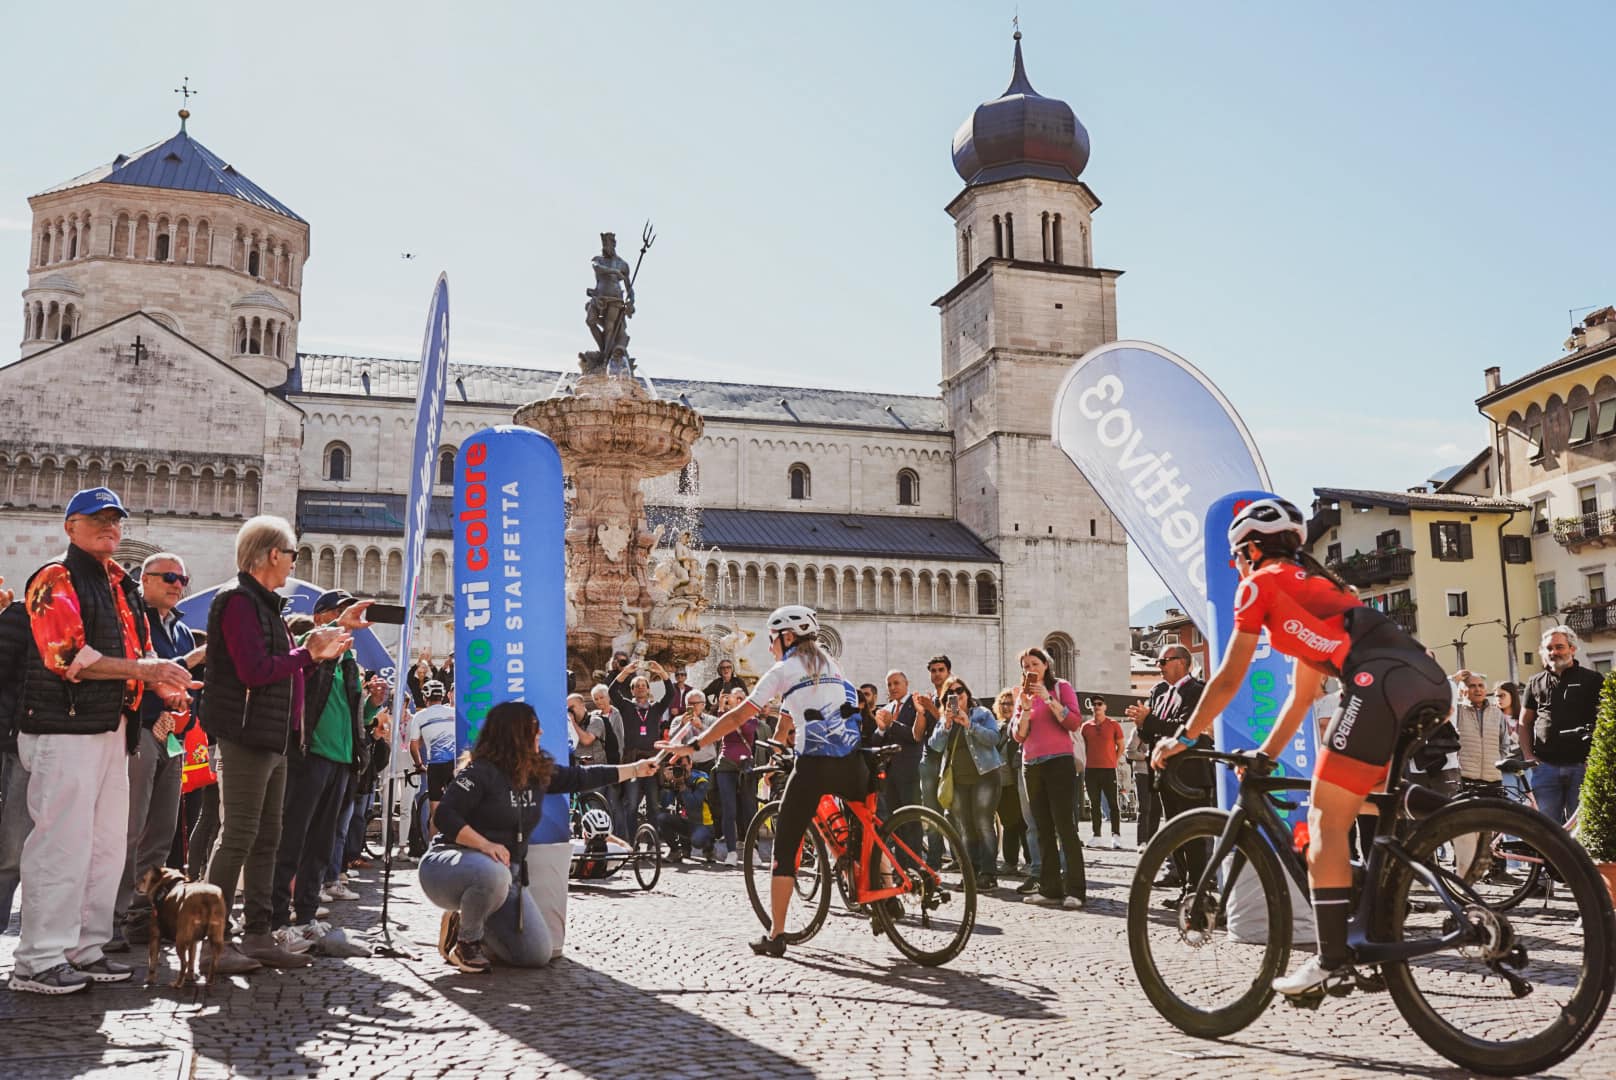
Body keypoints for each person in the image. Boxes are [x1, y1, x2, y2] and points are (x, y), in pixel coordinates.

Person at [1152, 497, 1452, 998]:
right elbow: (1301, 697)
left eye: (1236, 557)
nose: (1237, 566)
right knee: (1362, 801)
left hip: (1377, 681)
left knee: (1323, 819)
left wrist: (1184, 736)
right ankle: (1403, 882)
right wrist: (1266, 756)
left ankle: (1332, 958)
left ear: (1249, 549)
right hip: (1426, 683)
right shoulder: (1320, 590)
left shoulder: (1261, 584)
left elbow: (1227, 678)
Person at [12, 489, 198, 994]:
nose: (109, 529)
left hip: (113, 728)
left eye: (115, 521)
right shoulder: (54, 577)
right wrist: (147, 669)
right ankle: (38, 958)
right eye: (97, 520)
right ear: (70, 526)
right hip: (62, 727)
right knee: (62, 843)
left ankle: (83, 946)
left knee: (106, 844)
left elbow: (131, 654)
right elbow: (65, 654)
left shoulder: (119, 582)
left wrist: (157, 684)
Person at [202, 515, 359, 971]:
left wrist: (315, 653)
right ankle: (215, 938)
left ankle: (257, 932)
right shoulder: (237, 601)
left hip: (272, 738)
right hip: (246, 735)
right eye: (291, 554)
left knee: (267, 839)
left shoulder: (264, 605)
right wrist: (308, 652)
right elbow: (253, 669)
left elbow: (282, 667)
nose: (293, 562)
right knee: (238, 837)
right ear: (272, 554)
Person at [663, 605, 862, 957]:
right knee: (867, 823)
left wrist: (694, 743)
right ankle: (886, 891)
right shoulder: (830, 665)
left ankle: (776, 935)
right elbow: (794, 708)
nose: (770, 647)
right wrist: (785, 732)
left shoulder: (782, 669)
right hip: (854, 762)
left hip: (814, 765)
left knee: (784, 849)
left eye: (772, 639)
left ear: (786, 638)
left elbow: (740, 714)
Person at [421, 700, 659, 972]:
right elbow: (444, 817)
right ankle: (466, 943)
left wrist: (636, 769)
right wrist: (485, 845)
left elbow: (582, 777)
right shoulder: (479, 772)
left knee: (535, 955)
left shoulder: (536, 772)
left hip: (503, 879)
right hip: (446, 868)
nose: (541, 733)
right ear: (515, 733)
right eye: (534, 727)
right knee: (493, 872)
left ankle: (466, 923)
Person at [108, 552, 205, 955]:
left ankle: (141, 915)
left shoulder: (181, 628)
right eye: (168, 576)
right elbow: (141, 670)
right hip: (141, 730)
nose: (177, 584)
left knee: (162, 831)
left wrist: (186, 706)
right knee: (129, 829)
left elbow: (183, 681)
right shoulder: (134, 620)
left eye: (183, 578)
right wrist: (193, 660)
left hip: (173, 736)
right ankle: (109, 919)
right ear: (144, 580)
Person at [1012, 646, 1086, 909]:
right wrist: (1025, 710)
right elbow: (1018, 736)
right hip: (1031, 763)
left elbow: (1074, 722)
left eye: (1034, 663)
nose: (1030, 669)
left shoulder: (1061, 687)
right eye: (1025, 665)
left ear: (1046, 665)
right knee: (1042, 828)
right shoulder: (1021, 694)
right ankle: (1049, 887)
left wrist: (1049, 700)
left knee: (1065, 826)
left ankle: (1076, 889)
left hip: (1059, 761)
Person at [1133, 645, 1207, 890]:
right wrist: (1141, 722)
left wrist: (1149, 720)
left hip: (1189, 773)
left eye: (1164, 661)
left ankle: (1198, 888)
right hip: (1164, 773)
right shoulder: (1159, 692)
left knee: (1192, 835)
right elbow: (1150, 732)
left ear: (1182, 663)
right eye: (1158, 662)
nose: (1159, 667)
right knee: (1175, 832)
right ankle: (1185, 885)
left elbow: (1186, 728)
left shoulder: (1197, 690)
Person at [1521, 625, 1602, 825]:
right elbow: (1524, 722)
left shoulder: (1592, 679)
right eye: (1549, 648)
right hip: (1545, 768)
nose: (1554, 652)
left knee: (1582, 828)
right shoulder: (1534, 682)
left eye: (1559, 647)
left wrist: (1596, 759)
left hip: (1582, 767)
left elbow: (1605, 721)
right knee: (1547, 831)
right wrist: (1529, 757)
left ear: (1572, 649)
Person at [932, 676, 1002, 888]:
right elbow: (934, 746)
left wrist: (969, 724)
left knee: (983, 824)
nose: (956, 696)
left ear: (967, 693)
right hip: (959, 781)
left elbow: (994, 738)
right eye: (949, 694)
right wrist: (946, 725)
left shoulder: (982, 713)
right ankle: (971, 873)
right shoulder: (945, 719)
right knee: (965, 828)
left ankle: (988, 874)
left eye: (959, 690)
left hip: (985, 776)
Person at [609, 665, 672, 836]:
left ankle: (652, 843)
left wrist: (661, 672)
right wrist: (626, 672)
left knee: (653, 804)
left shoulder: (656, 708)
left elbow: (670, 694)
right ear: (632, 691)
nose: (640, 688)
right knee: (631, 804)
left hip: (651, 763)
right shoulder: (627, 707)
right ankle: (631, 844)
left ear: (648, 689)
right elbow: (613, 691)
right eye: (637, 686)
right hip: (633, 762)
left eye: (643, 685)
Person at [0, 579, 30, 935]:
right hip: (13, 740)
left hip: (30, 740)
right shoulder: (21, 617)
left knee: (15, 845)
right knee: (11, 847)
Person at [712, 687, 759, 867]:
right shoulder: (723, 715)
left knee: (749, 808)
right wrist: (724, 709)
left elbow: (746, 728)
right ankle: (731, 852)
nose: (738, 701)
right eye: (735, 698)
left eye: (741, 698)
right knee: (729, 809)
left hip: (745, 764)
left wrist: (734, 712)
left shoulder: (751, 716)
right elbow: (723, 730)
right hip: (726, 764)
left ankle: (752, 849)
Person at [992, 688, 1032, 881]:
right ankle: (1010, 862)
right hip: (1002, 784)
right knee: (1009, 824)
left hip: (1018, 781)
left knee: (1023, 823)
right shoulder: (996, 728)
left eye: (1010, 703)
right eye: (1003, 703)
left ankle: (1030, 861)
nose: (1006, 707)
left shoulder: (1018, 725)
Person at [1080, 697, 1125, 850]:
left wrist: (1114, 761)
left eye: (1099, 704)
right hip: (1091, 770)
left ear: (1105, 707)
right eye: (1094, 704)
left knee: (1113, 804)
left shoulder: (1113, 725)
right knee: (1094, 804)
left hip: (1108, 770)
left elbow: (1121, 746)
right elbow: (1082, 748)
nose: (1096, 706)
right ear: (1090, 708)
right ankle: (1097, 835)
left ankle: (1116, 836)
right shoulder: (1085, 727)